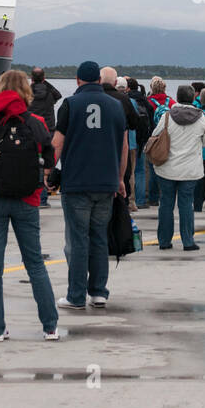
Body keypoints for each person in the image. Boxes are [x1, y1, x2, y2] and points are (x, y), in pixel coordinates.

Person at [0, 69, 58, 341]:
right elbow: (49, 160)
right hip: (28, 200)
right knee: (35, 264)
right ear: (26, 92)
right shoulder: (37, 122)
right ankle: (50, 327)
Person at [52, 61, 127, 310]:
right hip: (106, 182)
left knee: (78, 240)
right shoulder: (116, 106)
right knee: (99, 238)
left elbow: (57, 143)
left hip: (77, 182)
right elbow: (124, 146)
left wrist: (47, 171)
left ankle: (75, 295)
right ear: (99, 80)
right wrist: (120, 178)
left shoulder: (70, 105)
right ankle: (98, 292)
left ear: (77, 81)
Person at [150, 85, 205, 250]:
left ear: (177, 96)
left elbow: (155, 135)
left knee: (166, 204)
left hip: (167, 168)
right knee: (186, 205)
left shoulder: (167, 116)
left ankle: (164, 241)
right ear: (192, 98)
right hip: (190, 169)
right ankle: (188, 241)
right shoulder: (200, 118)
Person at [101, 67, 141, 208]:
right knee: (125, 177)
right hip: (121, 145)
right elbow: (135, 122)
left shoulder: (93, 97)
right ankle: (124, 209)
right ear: (115, 82)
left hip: (98, 151)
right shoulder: (124, 99)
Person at [126, 77, 153, 209]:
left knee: (130, 171)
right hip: (143, 140)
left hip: (131, 140)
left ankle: (131, 198)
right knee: (141, 171)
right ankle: (141, 200)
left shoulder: (128, 101)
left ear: (128, 88)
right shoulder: (145, 100)